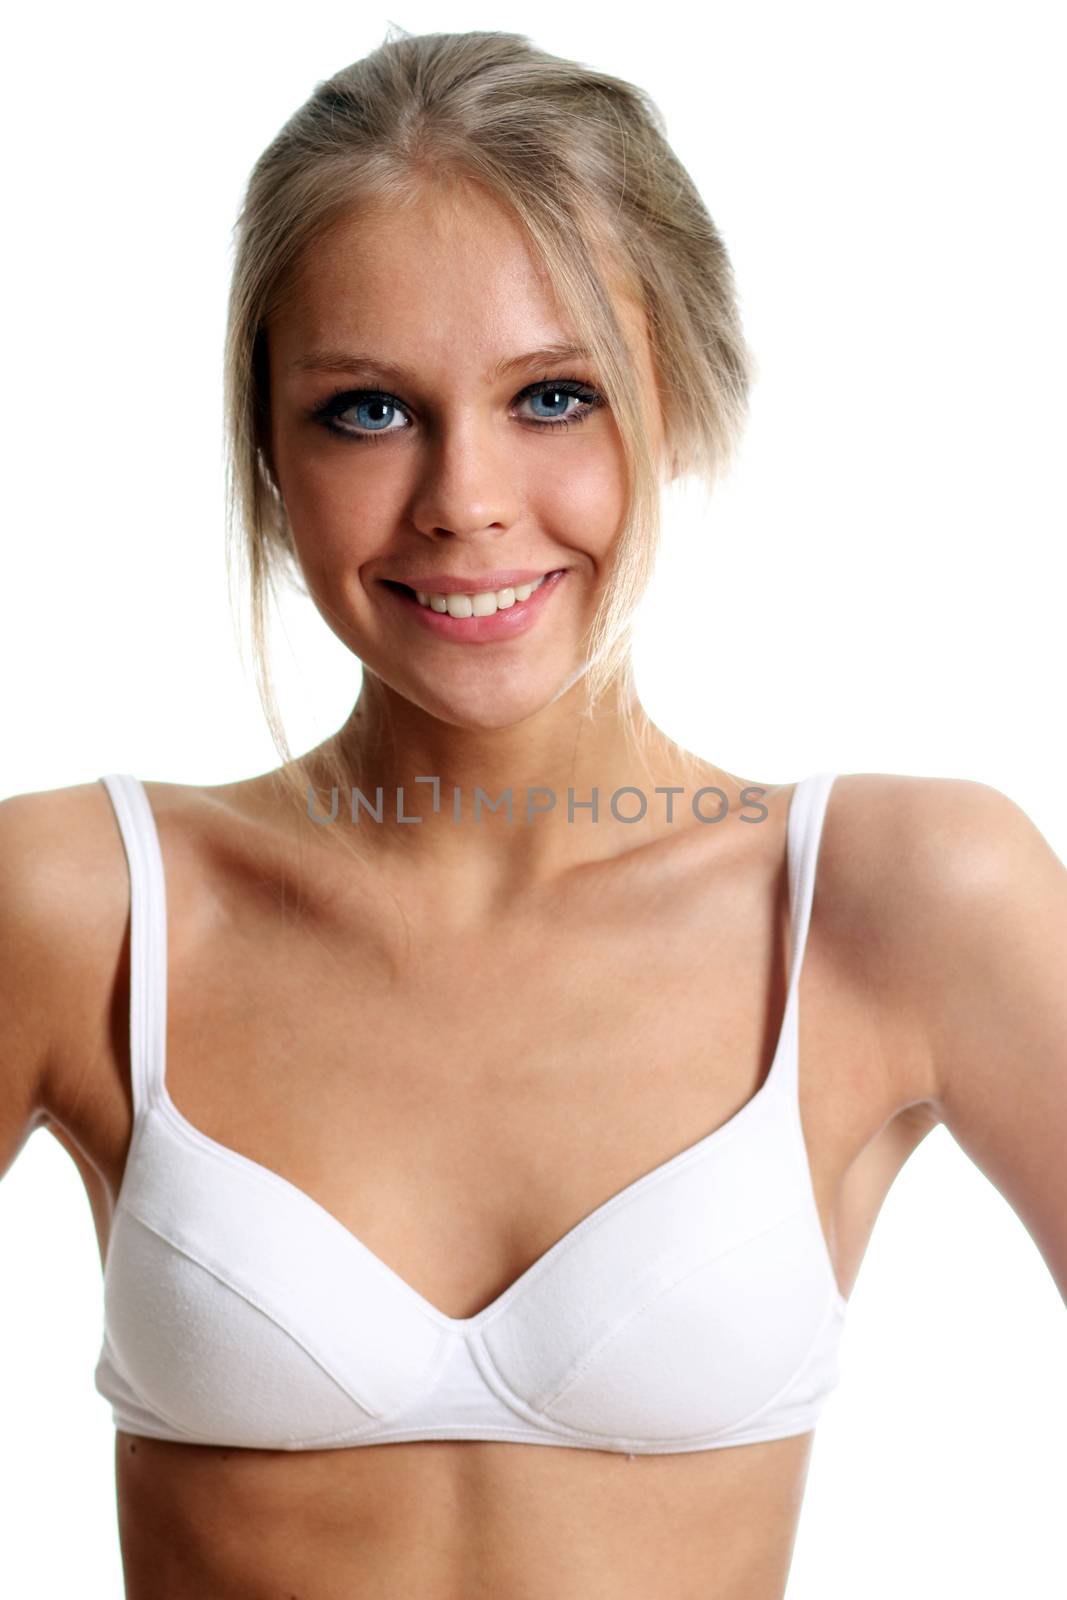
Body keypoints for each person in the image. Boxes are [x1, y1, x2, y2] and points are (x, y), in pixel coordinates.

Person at [3, 25, 1064, 1600]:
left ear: (683, 401)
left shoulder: (895, 899)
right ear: (268, 452)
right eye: (367, 410)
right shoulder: (79, 904)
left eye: (553, 395)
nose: (465, 499)